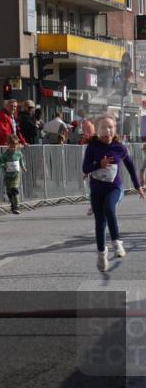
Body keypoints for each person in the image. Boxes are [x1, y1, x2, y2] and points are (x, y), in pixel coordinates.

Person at [82, 115, 144, 272]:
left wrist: (138, 186)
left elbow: (130, 166)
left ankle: (117, 242)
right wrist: (98, 164)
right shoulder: (93, 146)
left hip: (114, 188)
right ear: (97, 130)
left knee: (109, 208)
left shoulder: (119, 147)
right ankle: (102, 253)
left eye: (110, 127)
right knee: (100, 223)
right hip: (96, 190)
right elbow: (85, 168)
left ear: (114, 129)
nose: (107, 130)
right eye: (103, 127)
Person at [0, 135, 26, 215]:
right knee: (9, 192)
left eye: (14, 147)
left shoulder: (18, 153)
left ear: (17, 145)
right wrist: (4, 165)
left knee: (15, 190)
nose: (13, 149)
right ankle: (13, 206)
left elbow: (21, 161)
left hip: (16, 175)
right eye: (11, 147)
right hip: (7, 176)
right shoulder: (5, 155)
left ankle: (17, 206)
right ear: (8, 145)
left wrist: (23, 167)